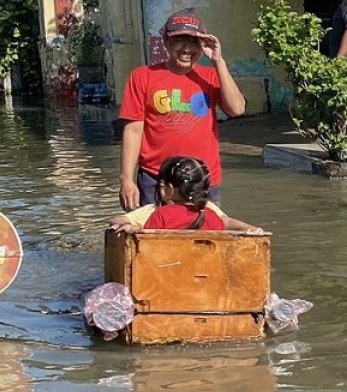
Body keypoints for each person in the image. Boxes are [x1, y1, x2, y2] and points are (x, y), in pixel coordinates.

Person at [118, 8, 247, 212]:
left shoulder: (211, 76)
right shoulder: (143, 76)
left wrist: (218, 61)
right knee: (155, 238)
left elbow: (237, 108)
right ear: (166, 42)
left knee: (206, 238)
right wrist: (126, 180)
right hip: (156, 179)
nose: (187, 48)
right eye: (180, 40)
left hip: (202, 179)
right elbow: (133, 130)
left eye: (194, 41)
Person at [109, 156, 263, 233]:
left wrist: (134, 227)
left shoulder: (158, 214)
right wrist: (252, 229)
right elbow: (226, 222)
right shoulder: (209, 212)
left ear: (167, 188)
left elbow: (147, 242)